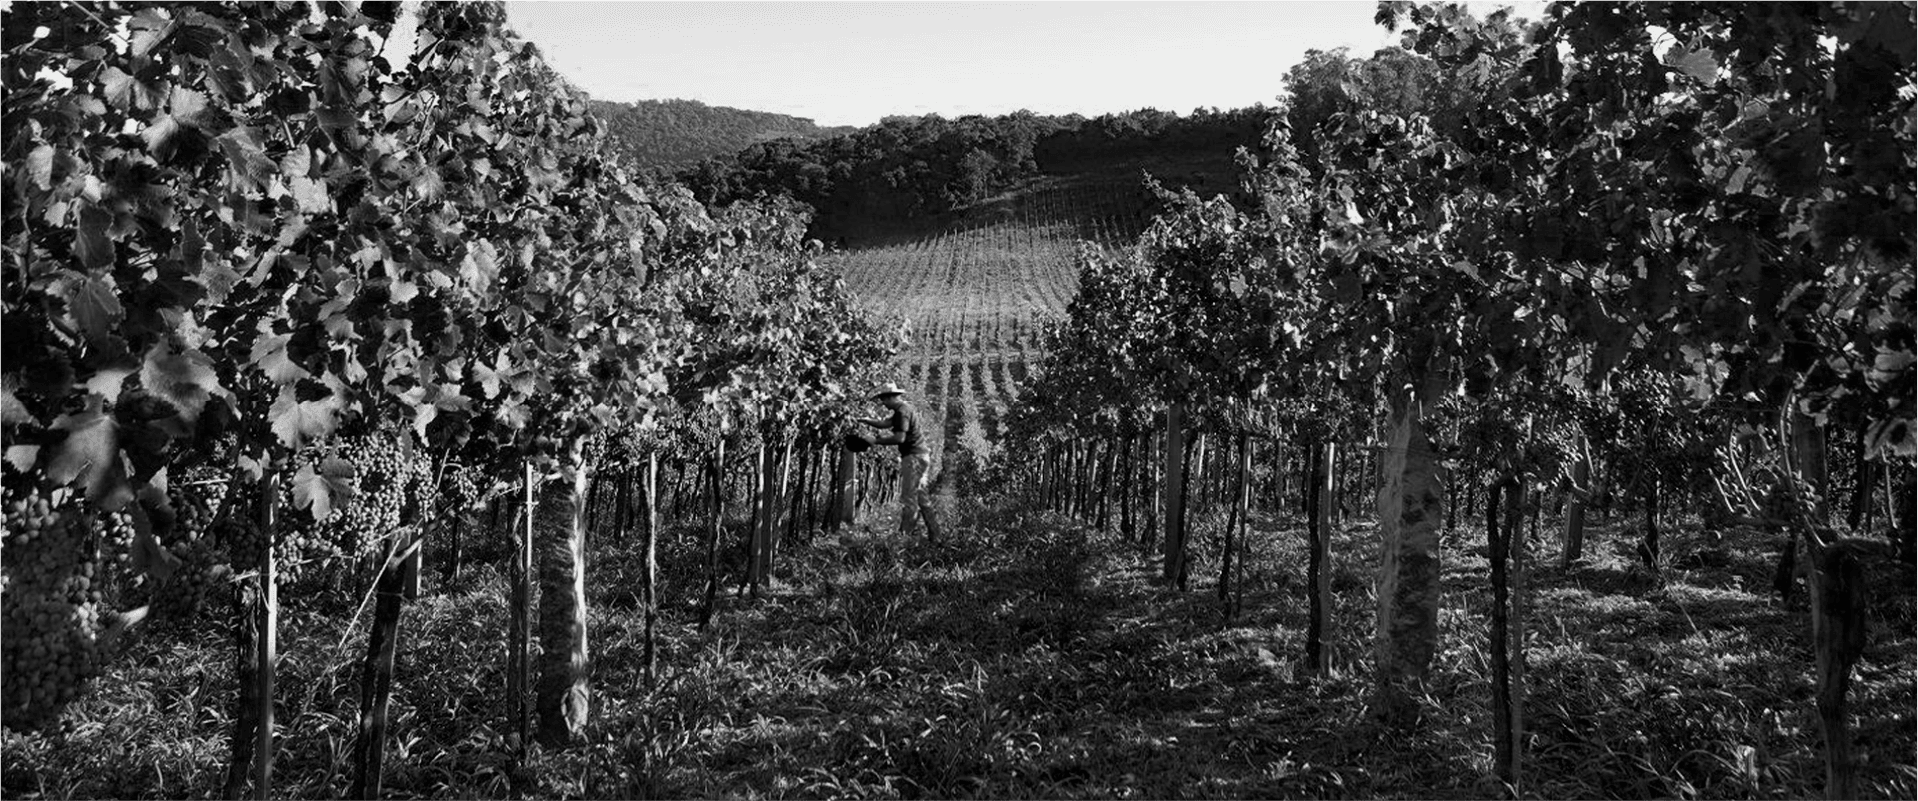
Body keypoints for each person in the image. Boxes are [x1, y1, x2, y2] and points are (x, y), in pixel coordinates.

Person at [856, 382, 942, 541]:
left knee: (909, 499)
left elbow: (899, 438)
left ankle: (902, 539)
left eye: (883, 399)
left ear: (890, 397)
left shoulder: (902, 412)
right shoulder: (902, 409)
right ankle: (936, 536)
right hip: (920, 455)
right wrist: (866, 420)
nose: (883, 403)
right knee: (922, 498)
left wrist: (875, 440)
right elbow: (885, 424)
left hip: (913, 458)